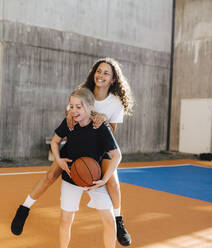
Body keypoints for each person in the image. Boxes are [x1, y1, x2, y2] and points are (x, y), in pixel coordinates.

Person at [11, 58, 134, 246]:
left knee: (113, 183)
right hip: (77, 144)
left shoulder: (115, 102)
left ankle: (118, 220)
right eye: (98, 71)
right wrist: (72, 115)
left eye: (106, 73)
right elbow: (70, 115)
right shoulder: (83, 93)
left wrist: (100, 119)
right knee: (51, 174)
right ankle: (24, 208)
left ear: (113, 80)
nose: (101, 75)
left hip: (98, 148)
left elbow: (112, 132)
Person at [55, 88, 121, 248]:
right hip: (71, 177)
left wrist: (103, 180)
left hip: (94, 179)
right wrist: (59, 160)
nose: (74, 110)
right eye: (71, 106)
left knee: (110, 221)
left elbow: (117, 155)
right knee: (65, 220)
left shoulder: (100, 127)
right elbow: (54, 141)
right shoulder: (69, 123)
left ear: (90, 107)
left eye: (79, 106)